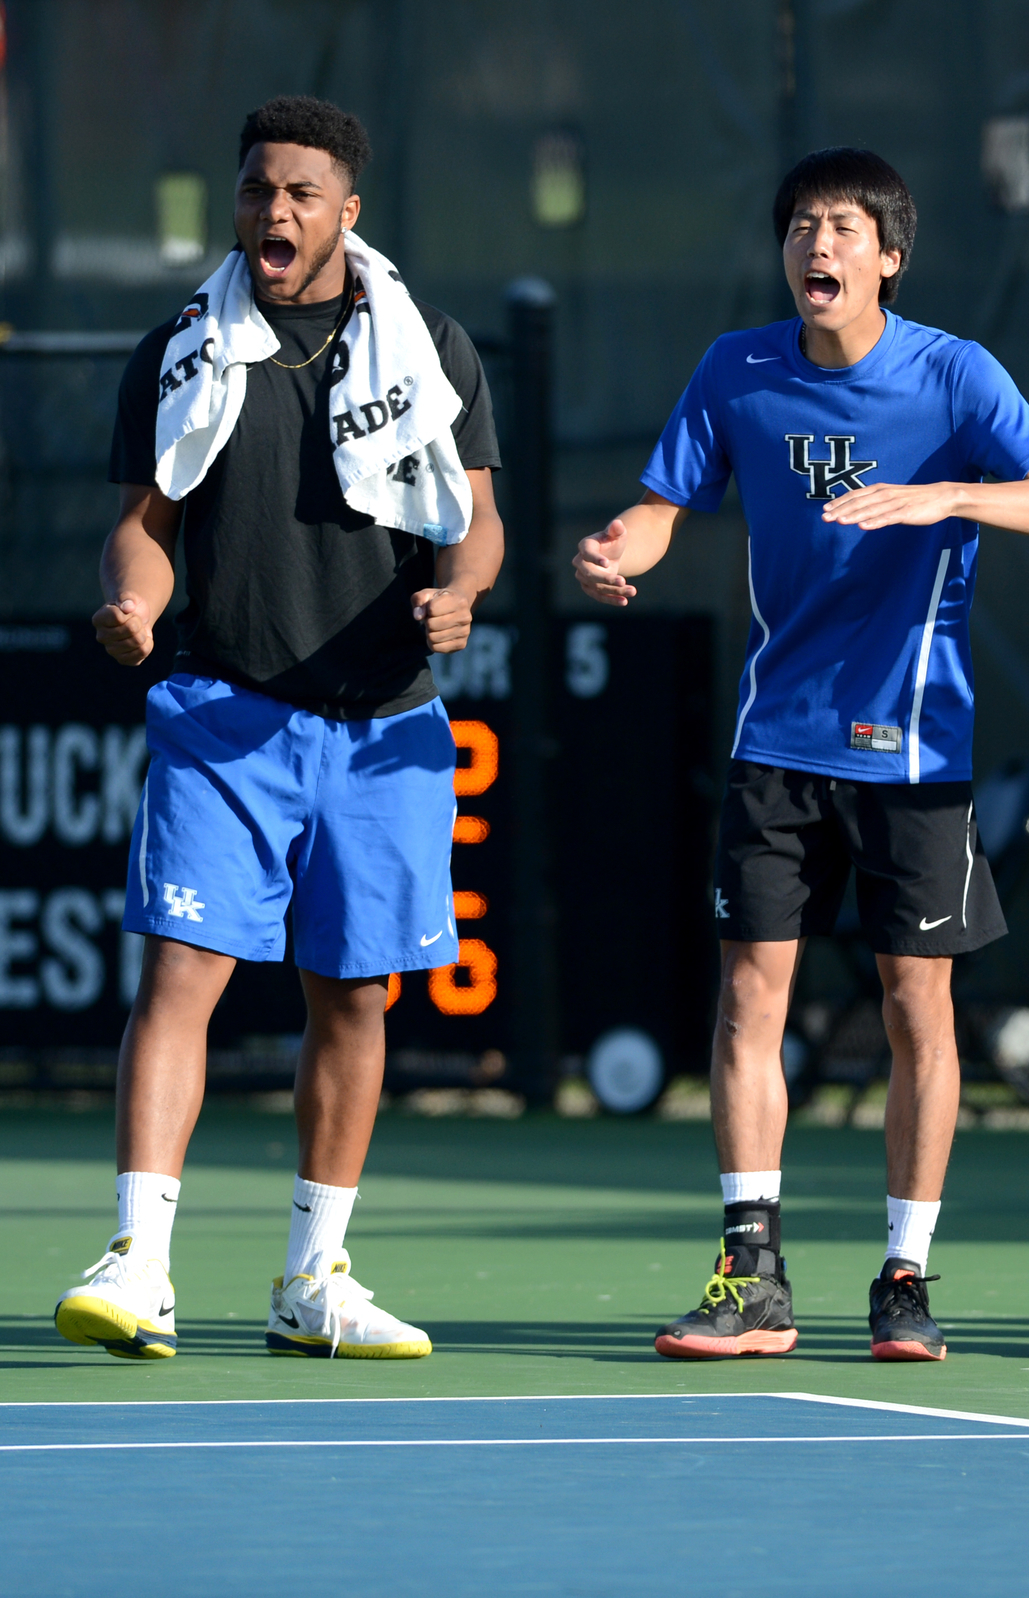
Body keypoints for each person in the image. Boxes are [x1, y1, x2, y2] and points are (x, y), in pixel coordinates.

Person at [576, 147, 1029, 1364]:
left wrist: (946, 498)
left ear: (890, 257)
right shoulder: (736, 370)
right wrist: (623, 548)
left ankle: (904, 1274)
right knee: (751, 997)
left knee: (920, 1005)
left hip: (913, 750)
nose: (821, 246)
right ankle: (751, 1271)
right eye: (804, 225)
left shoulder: (954, 372)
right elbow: (665, 502)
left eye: (847, 227)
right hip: (777, 744)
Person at [55, 96, 504, 1361]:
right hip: (222, 710)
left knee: (355, 997)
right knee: (180, 978)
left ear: (346, 211)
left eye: (303, 193)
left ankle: (315, 1278)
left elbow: (476, 520)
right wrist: (134, 602)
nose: (276, 212)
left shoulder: (432, 347)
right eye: (259, 189)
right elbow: (145, 522)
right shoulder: (183, 348)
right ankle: (140, 1260)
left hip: (385, 727)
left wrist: (463, 590)